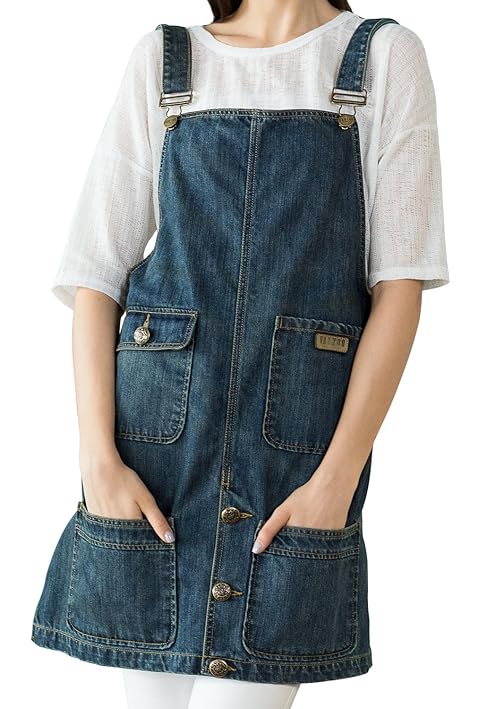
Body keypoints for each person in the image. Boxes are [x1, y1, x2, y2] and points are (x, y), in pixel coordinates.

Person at [31, 1, 450, 707]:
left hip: (293, 467)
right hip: (154, 463)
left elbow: (400, 288)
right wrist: (98, 461)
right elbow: (95, 277)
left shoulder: (383, 57)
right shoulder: (165, 61)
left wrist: (336, 481)